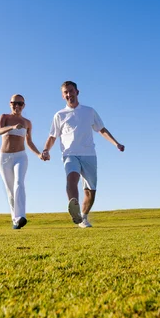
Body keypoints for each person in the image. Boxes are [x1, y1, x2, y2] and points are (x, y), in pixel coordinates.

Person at [41, 81, 125, 228]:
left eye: (71, 91)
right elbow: (52, 136)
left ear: (77, 92)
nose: (69, 94)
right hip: (70, 154)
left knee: (90, 191)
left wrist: (116, 143)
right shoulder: (59, 115)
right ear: (62, 96)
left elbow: (101, 129)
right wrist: (46, 150)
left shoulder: (89, 111)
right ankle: (74, 209)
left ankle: (84, 218)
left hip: (89, 154)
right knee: (72, 178)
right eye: (65, 92)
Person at [0, 94, 43, 229]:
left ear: (24, 106)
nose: (17, 106)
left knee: (19, 183)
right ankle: (15, 219)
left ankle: (21, 216)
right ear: (10, 104)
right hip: (4, 158)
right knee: (10, 189)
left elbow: (29, 142)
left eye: (20, 103)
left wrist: (39, 154)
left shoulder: (27, 122)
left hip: (20, 157)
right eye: (14, 103)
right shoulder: (4, 117)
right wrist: (12, 127)